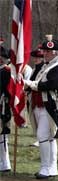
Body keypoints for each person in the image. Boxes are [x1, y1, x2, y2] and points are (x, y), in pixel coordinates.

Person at [24, 34, 58, 179]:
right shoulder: (43, 66)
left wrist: (32, 85)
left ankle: (46, 168)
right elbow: (33, 81)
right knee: (49, 138)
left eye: (48, 52)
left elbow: (51, 85)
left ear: (55, 53)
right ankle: (51, 168)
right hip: (38, 105)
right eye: (45, 51)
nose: (45, 54)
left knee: (43, 136)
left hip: (50, 107)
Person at [0, 39, 12, 172]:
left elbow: (9, 91)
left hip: (3, 106)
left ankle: (5, 163)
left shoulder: (7, 71)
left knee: (3, 135)